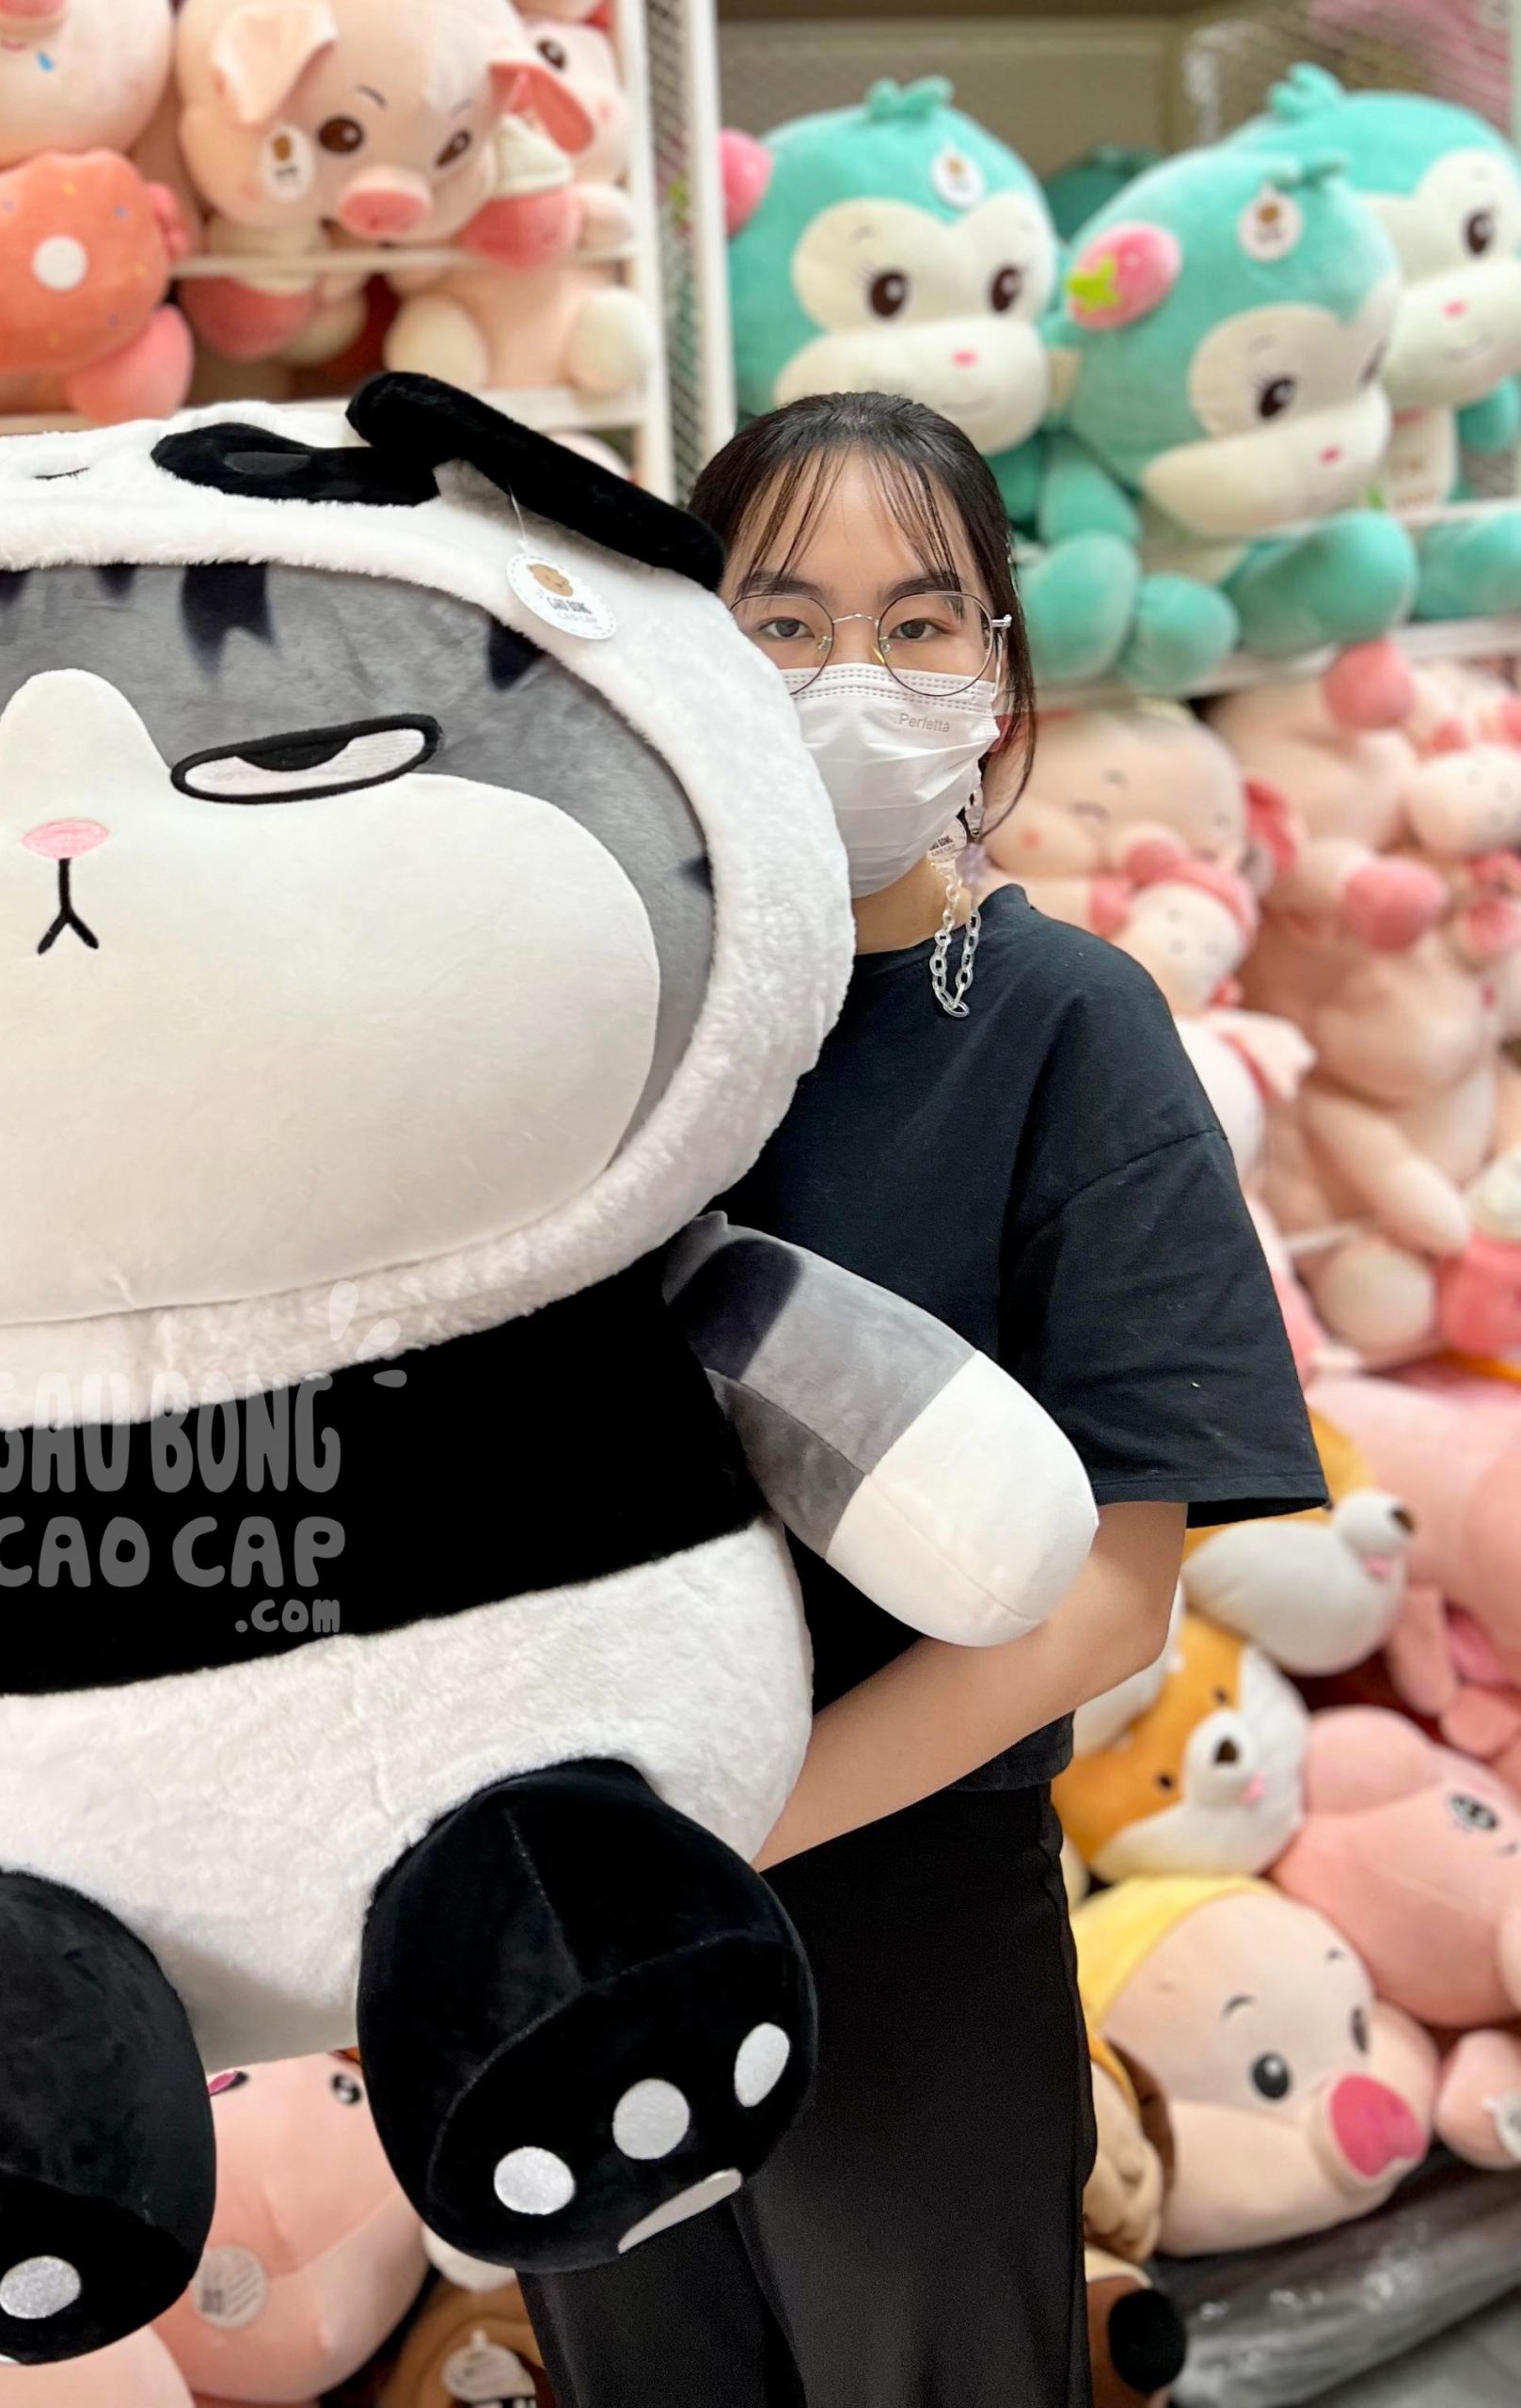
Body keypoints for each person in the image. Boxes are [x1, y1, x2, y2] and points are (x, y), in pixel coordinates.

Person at [518, 390, 1325, 2407]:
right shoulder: (599, 1021)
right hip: (569, 1899)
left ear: (996, 674)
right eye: (781, 621)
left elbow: (1104, 1598)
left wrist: (733, 1834)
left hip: (895, 1902)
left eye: (917, 622)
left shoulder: (1063, 1027)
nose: (850, 676)